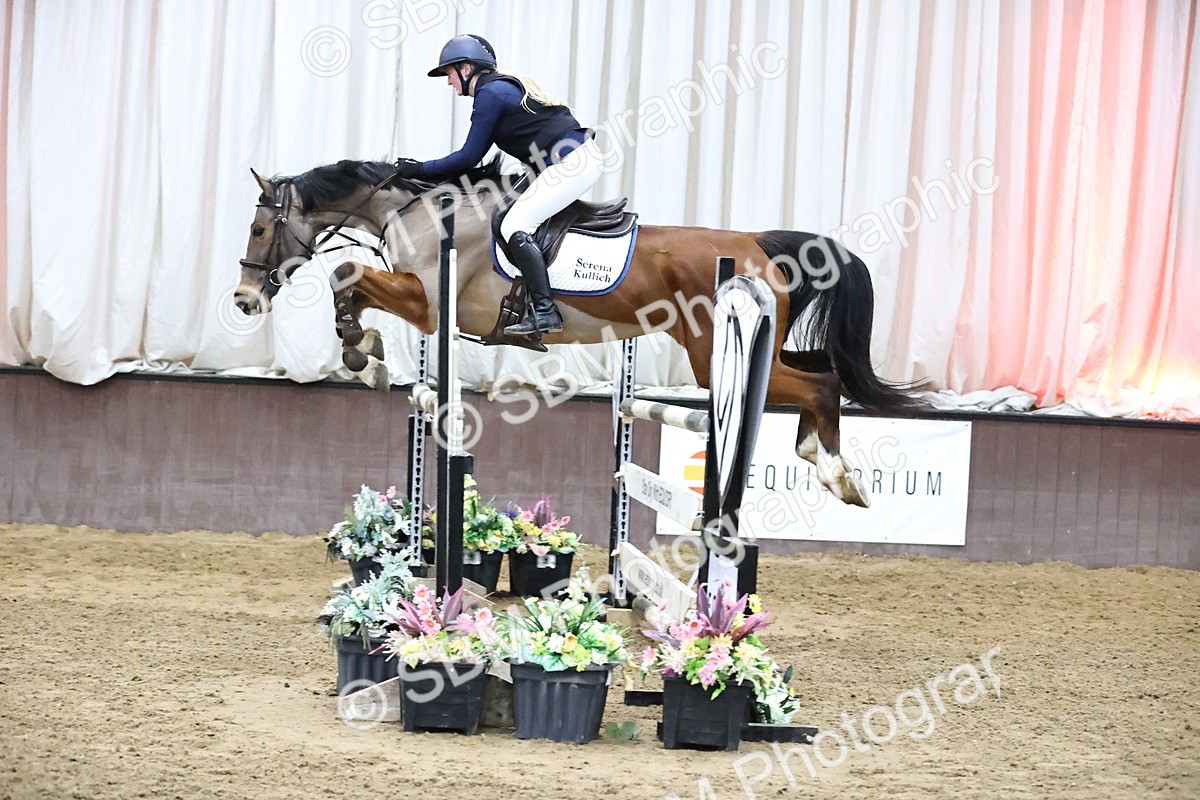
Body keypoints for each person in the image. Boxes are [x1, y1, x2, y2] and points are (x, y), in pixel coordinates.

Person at [393, 34, 603, 338]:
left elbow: (469, 157)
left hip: (572, 163)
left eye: (449, 73)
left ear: (466, 69)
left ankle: (545, 311)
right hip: (564, 161)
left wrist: (419, 169)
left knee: (514, 224)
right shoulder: (499, 88)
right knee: (504, 211)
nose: (448, 82)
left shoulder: (490, 95)